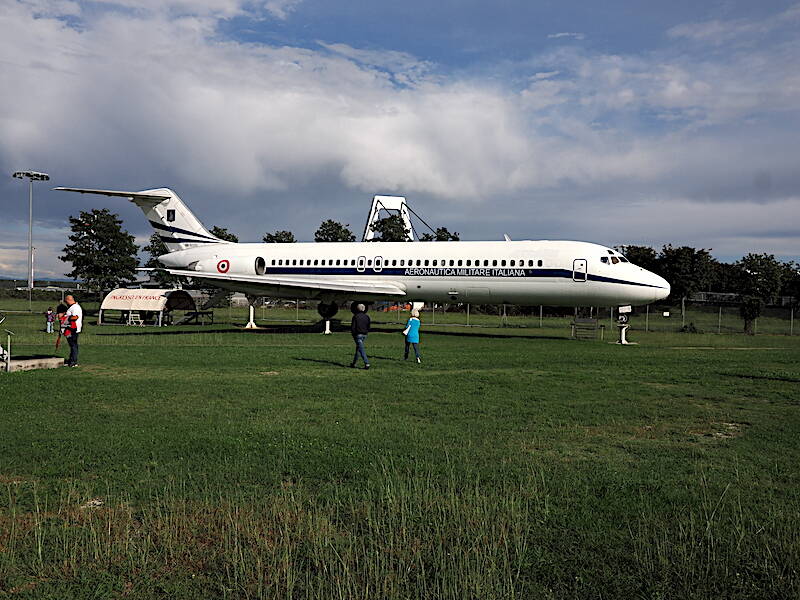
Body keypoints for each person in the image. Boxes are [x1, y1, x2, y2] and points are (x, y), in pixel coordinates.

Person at [63, 295, 83, 367]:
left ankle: (73, 362)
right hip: (70, 329)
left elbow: (75, 317)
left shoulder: (75, 307)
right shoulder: (73, 307)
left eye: (66, 301)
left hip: (73, 329)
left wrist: (65, 318)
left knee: (73, 345)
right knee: (72, 345)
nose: (66, 303)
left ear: (68, 300)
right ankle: (71, 360)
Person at [350, 303, 370, 370]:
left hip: (358, 334)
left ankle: (367, 363)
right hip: (364, 334)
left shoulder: (355, 316)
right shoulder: (367, 317)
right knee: (358, 349)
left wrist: (353, 334)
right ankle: (354, 363)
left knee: (361, 349)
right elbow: (368, 326)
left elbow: (353, 327)